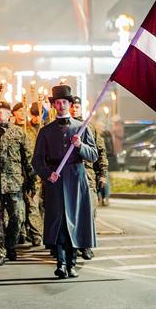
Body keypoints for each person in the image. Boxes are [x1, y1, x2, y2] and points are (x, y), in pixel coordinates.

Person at [32, 84, 98, 279]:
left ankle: (72, 263)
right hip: (56, 180)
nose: (61, 105)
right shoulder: (46, 131)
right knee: (59, 222)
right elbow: (37, 161)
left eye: (64, 102)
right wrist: (47, 174)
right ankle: (61, 263)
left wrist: (80, 145)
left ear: (70, 104)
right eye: (58, 102)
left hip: (76, 180)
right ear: (54, 105)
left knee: (74, 221)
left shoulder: (81, 128)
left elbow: (93, 155)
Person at [0, 101, 32, 264]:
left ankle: (10, 245)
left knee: (17, 217)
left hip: (14, 183)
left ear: (9, 114)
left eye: (0, 112)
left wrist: (32, 180)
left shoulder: (19, 133)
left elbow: (28, 159)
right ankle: (0, 250)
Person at [70, 96, 108, 259]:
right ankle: (71, 245)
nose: (74, 109)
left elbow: (100, 151)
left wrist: (102, 174)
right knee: (71, 211)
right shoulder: (63, 127)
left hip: (88, 175)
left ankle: (86, 245)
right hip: (70, 175)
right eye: (72, 106)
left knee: (89, 211)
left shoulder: (89, 127)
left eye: (77, 107)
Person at [22, 102, 45, 246]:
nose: (36, 118)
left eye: (39, 115)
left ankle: (46, 231)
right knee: (33, 204)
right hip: (33, 172)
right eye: (34, 115)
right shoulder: (25, 130)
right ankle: (36, 233)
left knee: (45, 204)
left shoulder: (47, 128)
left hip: (48, 171)